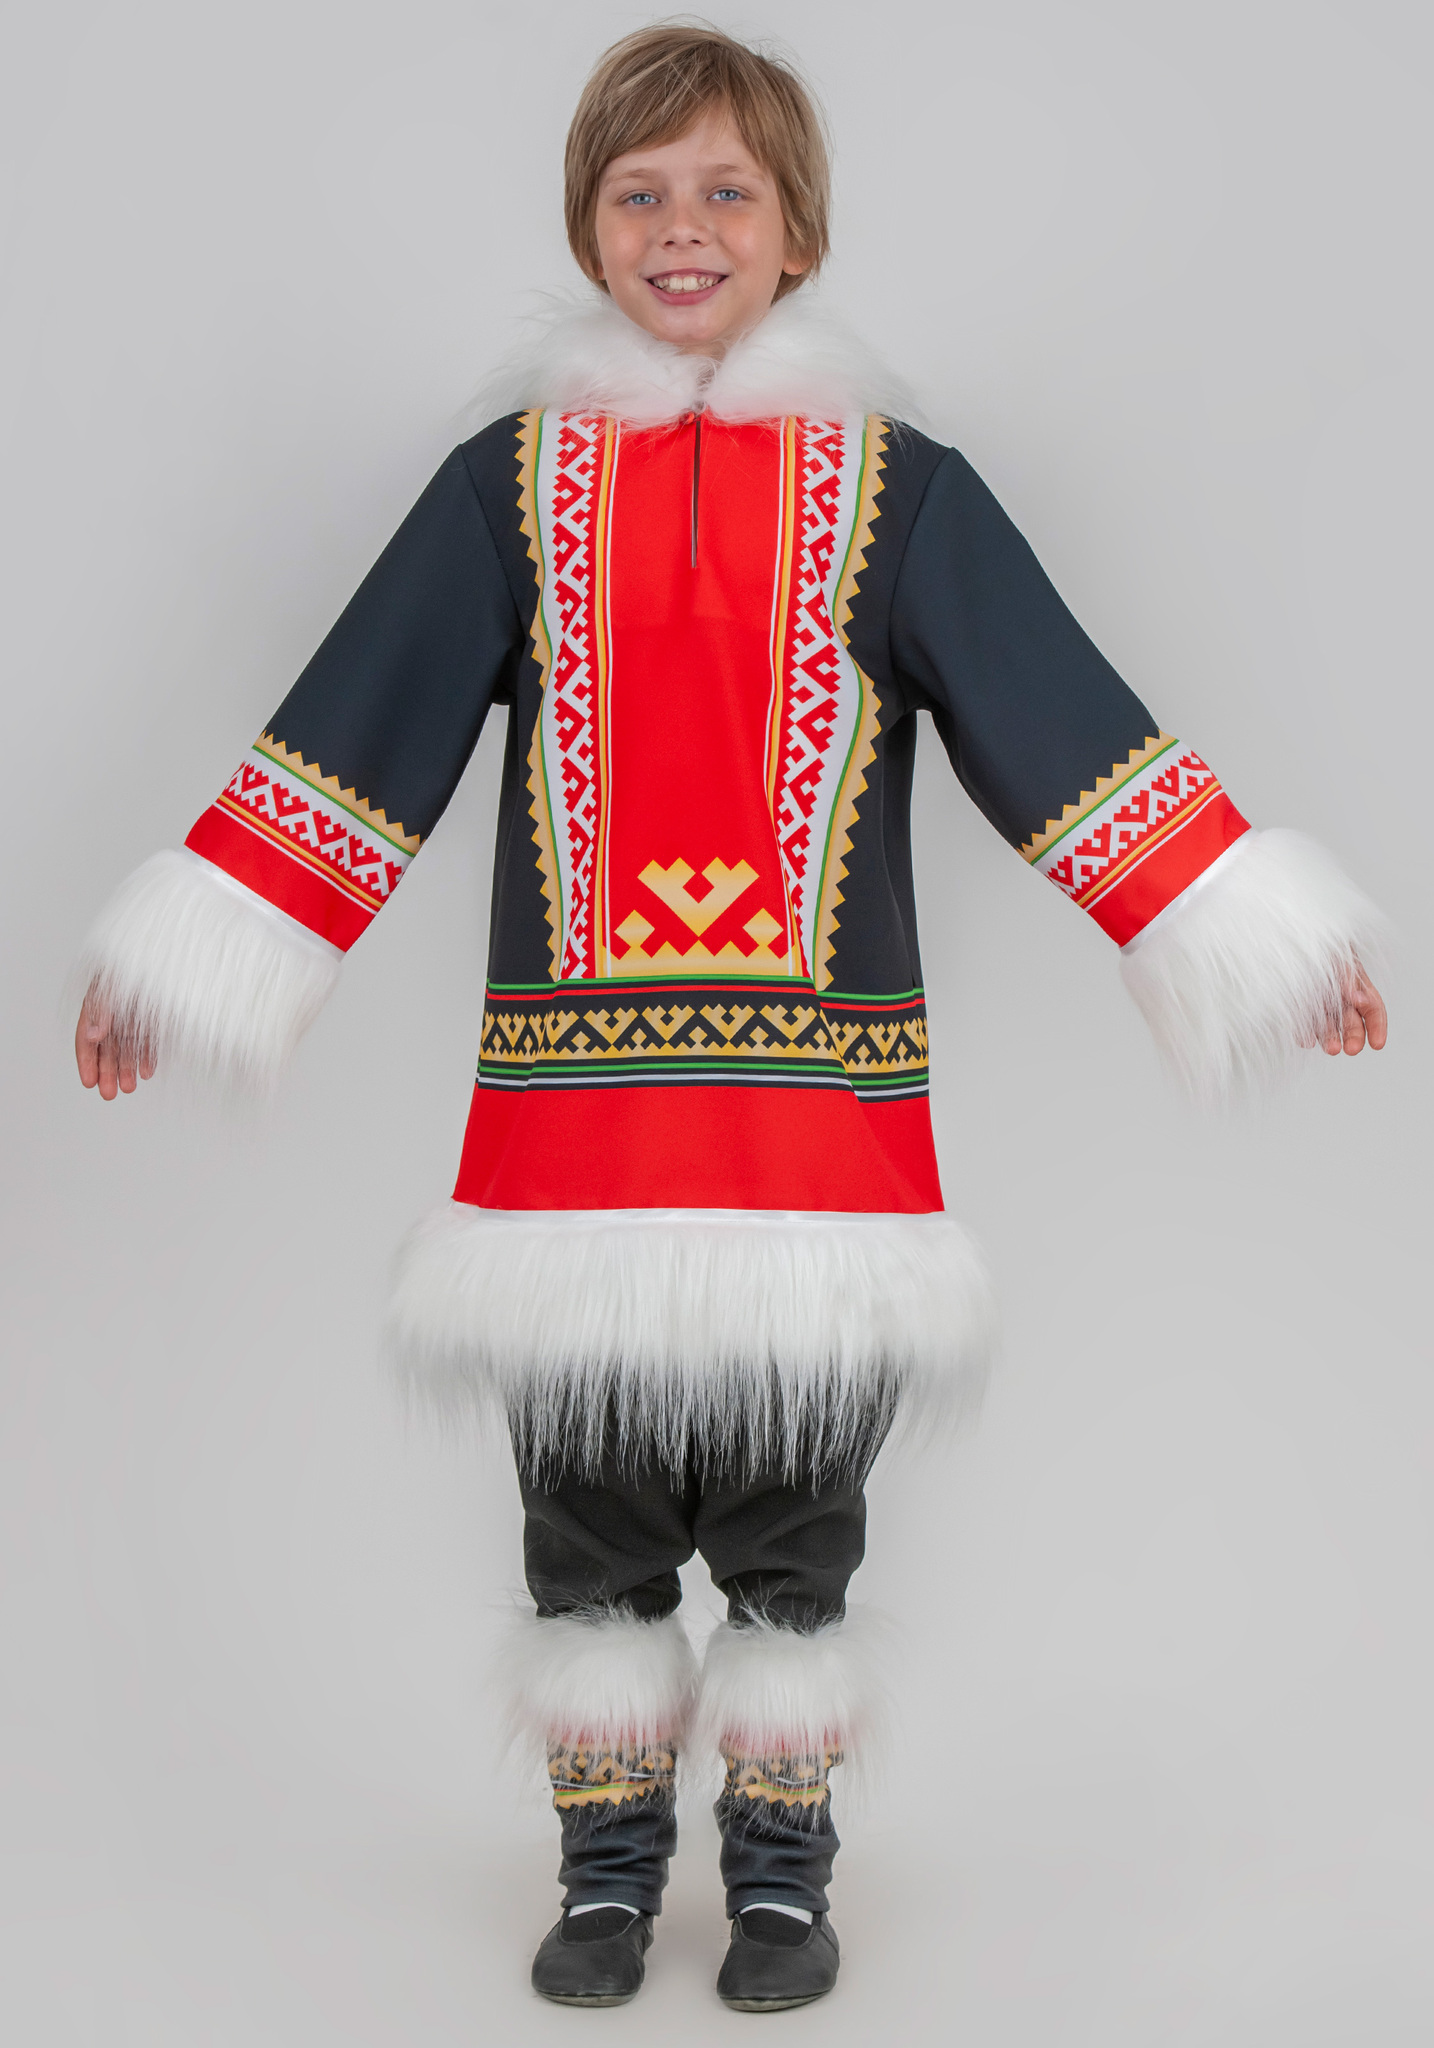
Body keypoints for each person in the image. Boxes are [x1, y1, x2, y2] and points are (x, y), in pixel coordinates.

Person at [72, 22, 1387, 2016]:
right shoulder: (511, 488)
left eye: (723, 191)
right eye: (639, 192)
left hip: (814, 1139)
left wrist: (1252, 933)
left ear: (797, 231)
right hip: (573, 1144)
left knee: (795, 1538)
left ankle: (781, 1883)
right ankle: (607, 1876)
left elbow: (1058, 724)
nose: (680, 227)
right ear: (586, 225)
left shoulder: (900, 493)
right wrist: (189, 961)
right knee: (585, 1534)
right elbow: (365, 726)